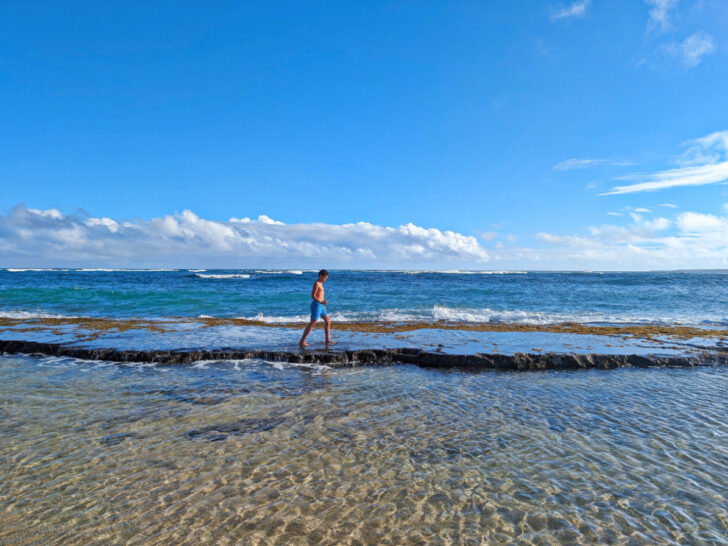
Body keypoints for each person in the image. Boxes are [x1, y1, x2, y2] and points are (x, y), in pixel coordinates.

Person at [299, 269, 334, 347]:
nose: (325, 279)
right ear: (321, 276)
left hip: (321, 306)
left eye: (326, 278)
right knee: (313, 323)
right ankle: (302, 341)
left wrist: (322, 302)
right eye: (325, 278)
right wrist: (321, 301)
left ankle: (327, 340)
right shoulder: (316, 283)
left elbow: (320, 295)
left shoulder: (321, 284)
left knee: (328, 320)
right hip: (316, 305)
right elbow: (313, 296)